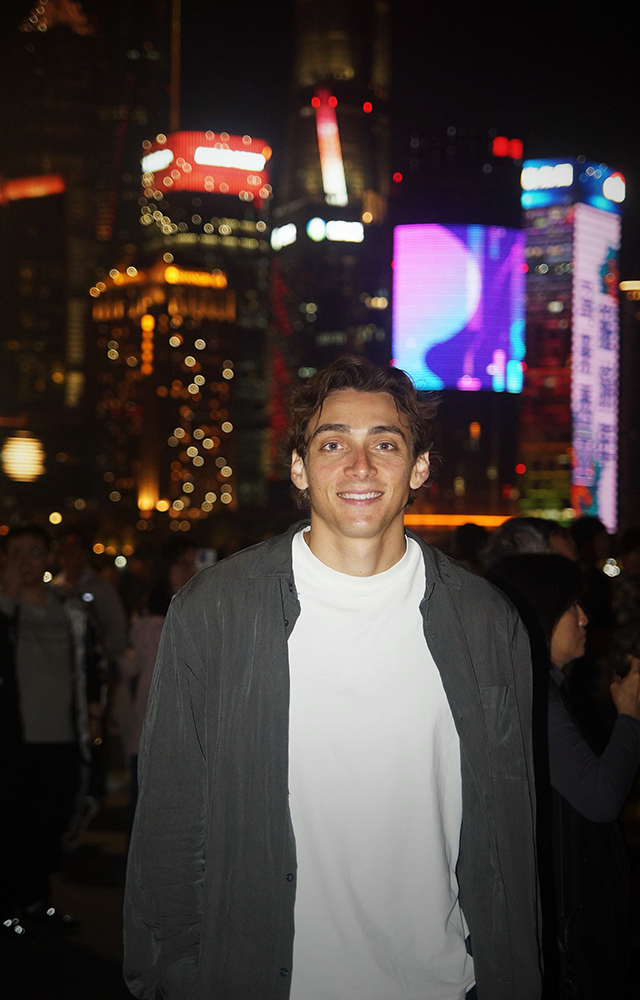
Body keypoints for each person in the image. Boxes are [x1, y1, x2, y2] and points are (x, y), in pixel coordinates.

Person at [124, 357, 542, 1000]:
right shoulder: (217, 610)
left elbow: (510, 836)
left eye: (385, 444)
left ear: (419, 467)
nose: (360, 466)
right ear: (299, 468)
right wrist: (173, 977)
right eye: (332, 444)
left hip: (437, 983)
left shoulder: (484, 623)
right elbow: (171, 825)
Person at [489, 553, 640, 998]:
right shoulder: (537, 697)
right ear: (542, 614)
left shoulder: (540, 686)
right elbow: (600, 797)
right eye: (571, 606)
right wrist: (631, 715)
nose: (584, 617)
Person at [0, 525, 105, 932]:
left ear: (49, 558)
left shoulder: (70, 609)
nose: (27, 561)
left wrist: (93, 713)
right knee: (11, 824)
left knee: (51, 823)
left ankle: (37, 900)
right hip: (13, 739)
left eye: (35, 552)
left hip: (61, 735)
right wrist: (8, 598)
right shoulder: (5, 610)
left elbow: (91, 662)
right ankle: (8, 905)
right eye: (17, 553)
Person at [119, 537, 199, 830]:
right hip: (152, 725)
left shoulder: (196, 608)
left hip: (187, 727)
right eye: (182, 564)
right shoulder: (149, 618)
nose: (190, 571)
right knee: (145, 814)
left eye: (194, 564)